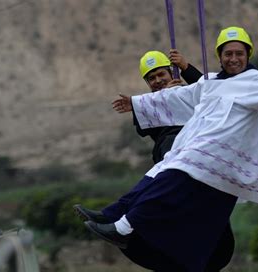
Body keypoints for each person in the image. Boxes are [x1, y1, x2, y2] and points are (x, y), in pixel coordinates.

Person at [86, 26, 258, 272]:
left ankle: (124, 227)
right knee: (159, 171)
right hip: (200, 152)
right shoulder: (211, 83)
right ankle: (113, 214)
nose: (233, 59)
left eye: (239, 53)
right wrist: (136, 102)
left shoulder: (257, 81)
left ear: (248, 54)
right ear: (219, 56)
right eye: (228, 54)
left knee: (175, 172)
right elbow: (176, 98)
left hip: (223, 156)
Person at [74, 50, 235, 271]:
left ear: (171, 74)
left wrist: (186, 70)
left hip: (195, 153)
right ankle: (116, 217)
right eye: (152, 78)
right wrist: (166, 98)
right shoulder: (147, 107)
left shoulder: (187, 93)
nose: (158, 81)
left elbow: (212, 89)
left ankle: (118, 219)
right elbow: (144, 121)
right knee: (157, 185)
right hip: (171, 153)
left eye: (161, 75)